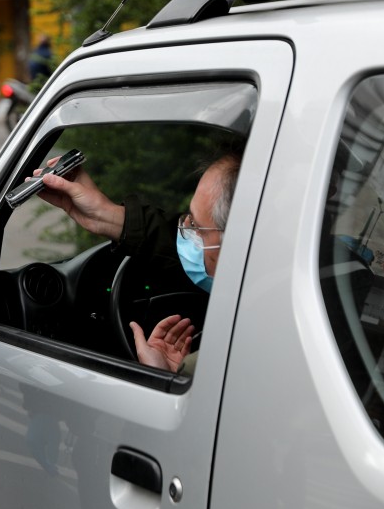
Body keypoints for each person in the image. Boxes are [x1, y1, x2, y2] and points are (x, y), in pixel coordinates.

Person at [35, 144, 243, 374]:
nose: (185, 229)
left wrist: (164, 377)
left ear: (236, 244)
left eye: (195, 226)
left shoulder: (212, 370)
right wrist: (107, 216)